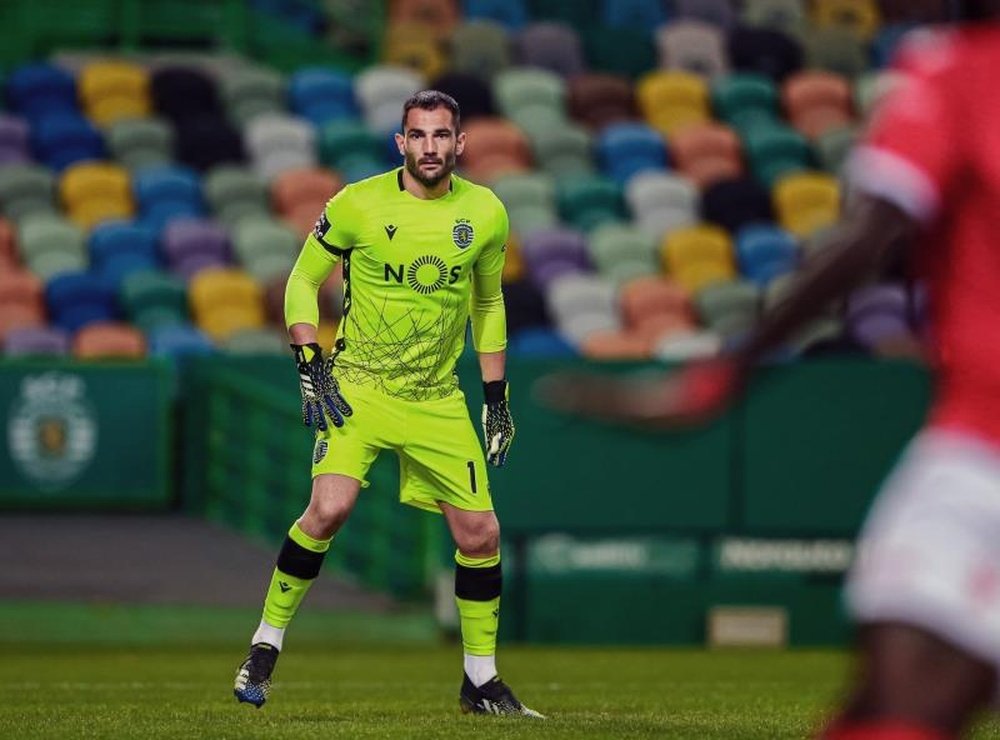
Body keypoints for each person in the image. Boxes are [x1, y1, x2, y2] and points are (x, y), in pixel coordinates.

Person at [540, 1, 1000, 736]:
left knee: (896, 710)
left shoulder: (959, 70)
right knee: (892, 707)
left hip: (983, 451)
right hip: (972, 448)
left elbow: (869, 234)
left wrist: (729, 370)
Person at [233, 90, 542, 718]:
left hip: (436, 399)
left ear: (461, 144)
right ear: (400, 143)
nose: (430, 147)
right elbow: (299, 281)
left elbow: (488, 305)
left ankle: (480, 683)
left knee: (481, 534)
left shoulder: (485, 213)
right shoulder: (357, 204)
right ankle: (265, 644)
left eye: (441, 135)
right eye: (418, 135)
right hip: (358, 390)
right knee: (329, 508)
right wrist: (308, 359)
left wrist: (496, 397)